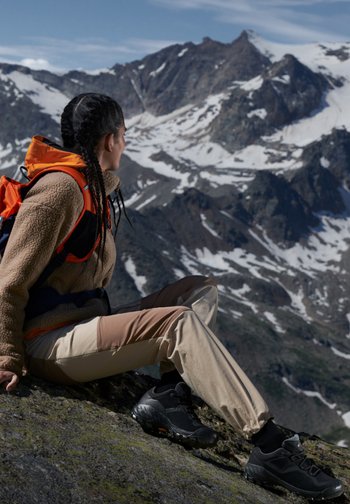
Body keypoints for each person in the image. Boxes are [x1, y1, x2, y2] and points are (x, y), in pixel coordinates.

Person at [0, 93, 343, 501]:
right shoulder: (61, 190)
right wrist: (7, 355)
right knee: (177, 322)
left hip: (80, 326)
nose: (126, 144)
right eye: (124, 135)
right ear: (109, 140)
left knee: (199, 289)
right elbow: (9, 279)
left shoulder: (93, 187)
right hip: (48, 344)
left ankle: (168, 396)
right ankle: (268, 445)